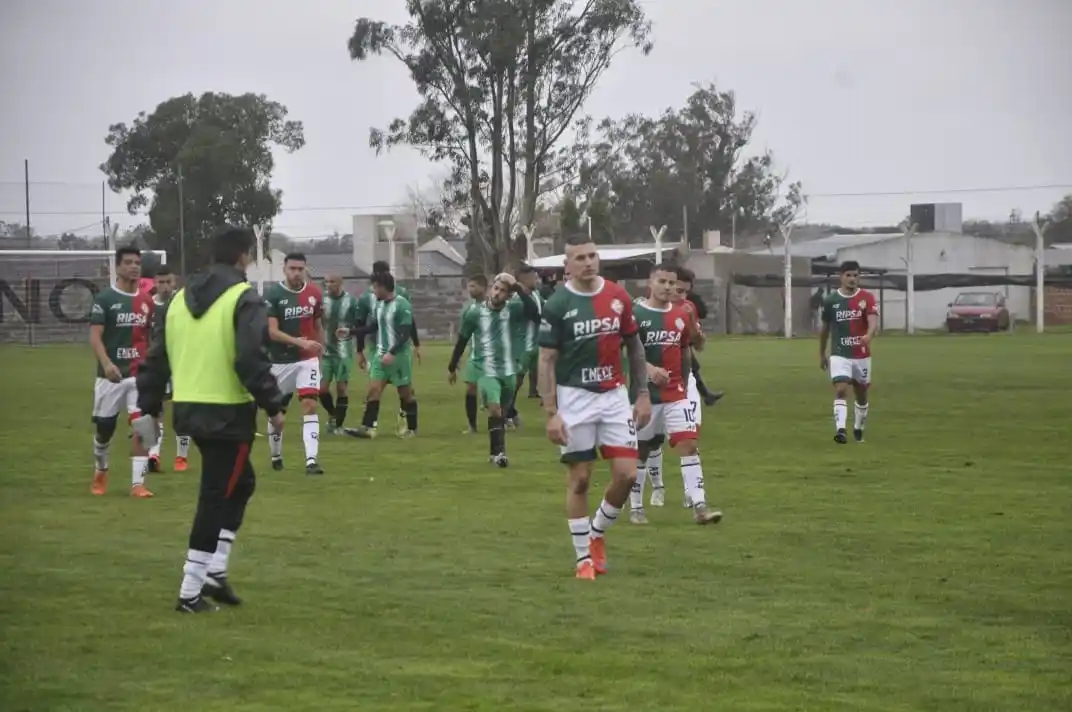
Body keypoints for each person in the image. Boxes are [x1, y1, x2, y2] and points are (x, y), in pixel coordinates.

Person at [134, 226, 286, 613]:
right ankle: (190, 590)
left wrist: (149, 403)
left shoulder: (177, 301)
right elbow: (250, 357)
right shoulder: (243, 297)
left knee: (241, 483)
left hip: (189, 407)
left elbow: (155, 357)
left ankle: (215, 570)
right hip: (228, 412)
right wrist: (273, 403)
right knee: (216, 496)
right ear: (243, 258)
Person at [537, 235, 651, 580]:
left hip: (614, 396)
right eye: (580, 258)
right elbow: (546, 360)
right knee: (581, 479)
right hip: (575, 399)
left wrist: (642, 392)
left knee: (628, 475)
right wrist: (551, 412)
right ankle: (582, 559)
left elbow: (635, 347)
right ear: (567, 265)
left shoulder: (618, 296)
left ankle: (597, 534)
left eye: (593, 255)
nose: (588, 262)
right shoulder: (557, 304)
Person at [627, 263, 722, 525]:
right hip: (644, 395)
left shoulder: (681, 314)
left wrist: (685, 380)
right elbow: (626, 353)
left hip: (675, 393)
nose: (668, 287)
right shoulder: (635, 314)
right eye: (663, 282)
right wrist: (648, 370)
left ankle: (700, 507)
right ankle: (635, 506)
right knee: (642, 451)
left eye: (672, 283)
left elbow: (684, 349)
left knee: (689, 445)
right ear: (650, 282)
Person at [447, 273, 539, 466]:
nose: (498, 293)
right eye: (496, 288)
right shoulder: (475, 313)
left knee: (502, 414)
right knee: (495, 410)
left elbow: (534, 313)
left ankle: (493, 453)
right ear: (491, 289)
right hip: (486, 369)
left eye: (503, 291)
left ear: (508, 295)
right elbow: (462, 340)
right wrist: (452, 365)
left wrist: (517, 287)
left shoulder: (513, 309)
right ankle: (500, 455)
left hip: (508, 370)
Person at [89, 246, 155, 499]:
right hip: (110, 375)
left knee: (143, 425)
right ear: (117, 267)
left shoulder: (147, 301)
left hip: (138, 375)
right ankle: (101, 468)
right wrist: (107, 364)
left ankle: (138, 484)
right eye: (127, 262)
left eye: (137, 262)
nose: (134, 266)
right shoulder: (105, 299)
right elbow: (95, 337)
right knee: (105, 429)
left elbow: (150, 338)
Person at [263, 253, 325, 475]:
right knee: (277, 415)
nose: (296, 273)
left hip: (306, 360)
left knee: (310, 404)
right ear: (284, 269)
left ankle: (311, 461)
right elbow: (271, 331)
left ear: (305, 269)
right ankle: (276, 454)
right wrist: (297, 341)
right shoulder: (273, 295)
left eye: (300, 269)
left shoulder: (315, 294)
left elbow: (318, 325)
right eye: (292, 268)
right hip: (279, 362)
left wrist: (320, 354)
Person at [345, 272, 420, 438]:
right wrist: (350, 332)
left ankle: (412, 428)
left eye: (375, 287)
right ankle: (367, 428)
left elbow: (405, 333)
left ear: (384, 287)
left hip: (399, 358)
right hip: (380, 356)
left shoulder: (402, 305)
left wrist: (392, 352)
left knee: (405, 394)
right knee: (373, 389)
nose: (373, 290)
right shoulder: (379, 305)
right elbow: (372, 327)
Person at [819, 260, 879, 444]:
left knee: (861, 395)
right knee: (841, 389)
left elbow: (872, 321)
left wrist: (869, 335)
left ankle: (859, 427)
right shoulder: (831, 301)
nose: (852, 279)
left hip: (861, 355)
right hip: (840, 353)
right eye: (848, 275)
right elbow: (825, 329)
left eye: (855, 275)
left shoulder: (867, 298)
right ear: (841, 277)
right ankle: (841, 430)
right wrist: (822, 353)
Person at [145, 265, 192, 473]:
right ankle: (152, 454)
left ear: (175, 283)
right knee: (154, 411)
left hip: (181, 363)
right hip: (156, 364)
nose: (164, 286)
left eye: (168, 282)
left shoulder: (183, 304)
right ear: (154, 283)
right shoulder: (147, 305)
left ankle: (181, 458)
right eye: (160, 282)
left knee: (183, 410)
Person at [675, 268, 724, 407]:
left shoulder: (688, 307)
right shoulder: (643, 310)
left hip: (682, 380)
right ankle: (707, 395)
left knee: (692, 367)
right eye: (680, 291)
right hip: (653, 384)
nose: (684, 297)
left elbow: (699, 345)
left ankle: (705, 395)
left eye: (686, 292)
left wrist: (691, 322)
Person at [319, 273, 360, 434]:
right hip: (326, 351)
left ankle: (338, 426)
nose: (329, 285)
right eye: (326, 282)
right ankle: (333, 414)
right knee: (321, 389)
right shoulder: (322, 301)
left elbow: (358, 324)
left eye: (332, 282)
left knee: (341, 388)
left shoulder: (350, 301)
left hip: (344, 352)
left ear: (341, 283)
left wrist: (350, 331)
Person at [504, 265, 543, 429]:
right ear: (522, 279)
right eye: (533, 277)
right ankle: (506, 413)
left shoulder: (535, 294)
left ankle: (509, 412)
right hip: (522, 346)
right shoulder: (517, 301)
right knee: (516, 381)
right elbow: (534, 315)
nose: (537, 280)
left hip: (536, 345)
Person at [458, 274, 488, 434]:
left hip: (493, 357)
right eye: (469, 286)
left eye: (474, 286)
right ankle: (472, 426)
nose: (471, 290)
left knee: (493, 393)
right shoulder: (469, 309)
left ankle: (507, 418)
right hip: (475, 356)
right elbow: (463, 335)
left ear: (484, 288)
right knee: (470, 389)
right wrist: (455, 361)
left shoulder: (495, 306)